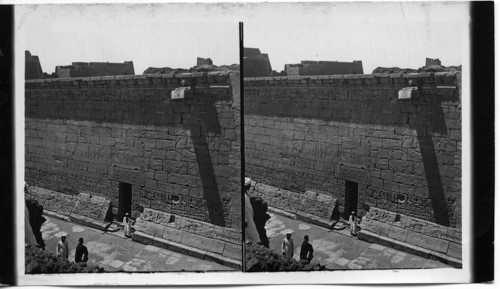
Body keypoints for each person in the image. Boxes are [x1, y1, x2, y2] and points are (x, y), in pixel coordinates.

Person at [244, 177, 261, 244]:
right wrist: (245, 220)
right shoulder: (244, 197)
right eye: (249, 186)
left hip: (249, 216)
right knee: (251, 230)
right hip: (247, 218)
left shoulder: (246, 194)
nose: (249, 187)